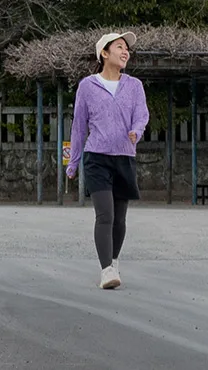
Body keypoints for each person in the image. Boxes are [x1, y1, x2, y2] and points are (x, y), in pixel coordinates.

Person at [67, 31, 149, 290]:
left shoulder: (134, 85)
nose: (125, 52)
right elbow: (79, 126)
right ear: (104, 53)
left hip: (125, 156)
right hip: (97, 158)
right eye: (120, 47)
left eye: (127, 49)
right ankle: (106, 271)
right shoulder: (87, 86)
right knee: (105, 214)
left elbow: (142, 115)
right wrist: (73, 162)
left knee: (120, 219)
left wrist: (137, 130)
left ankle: (113, 261)